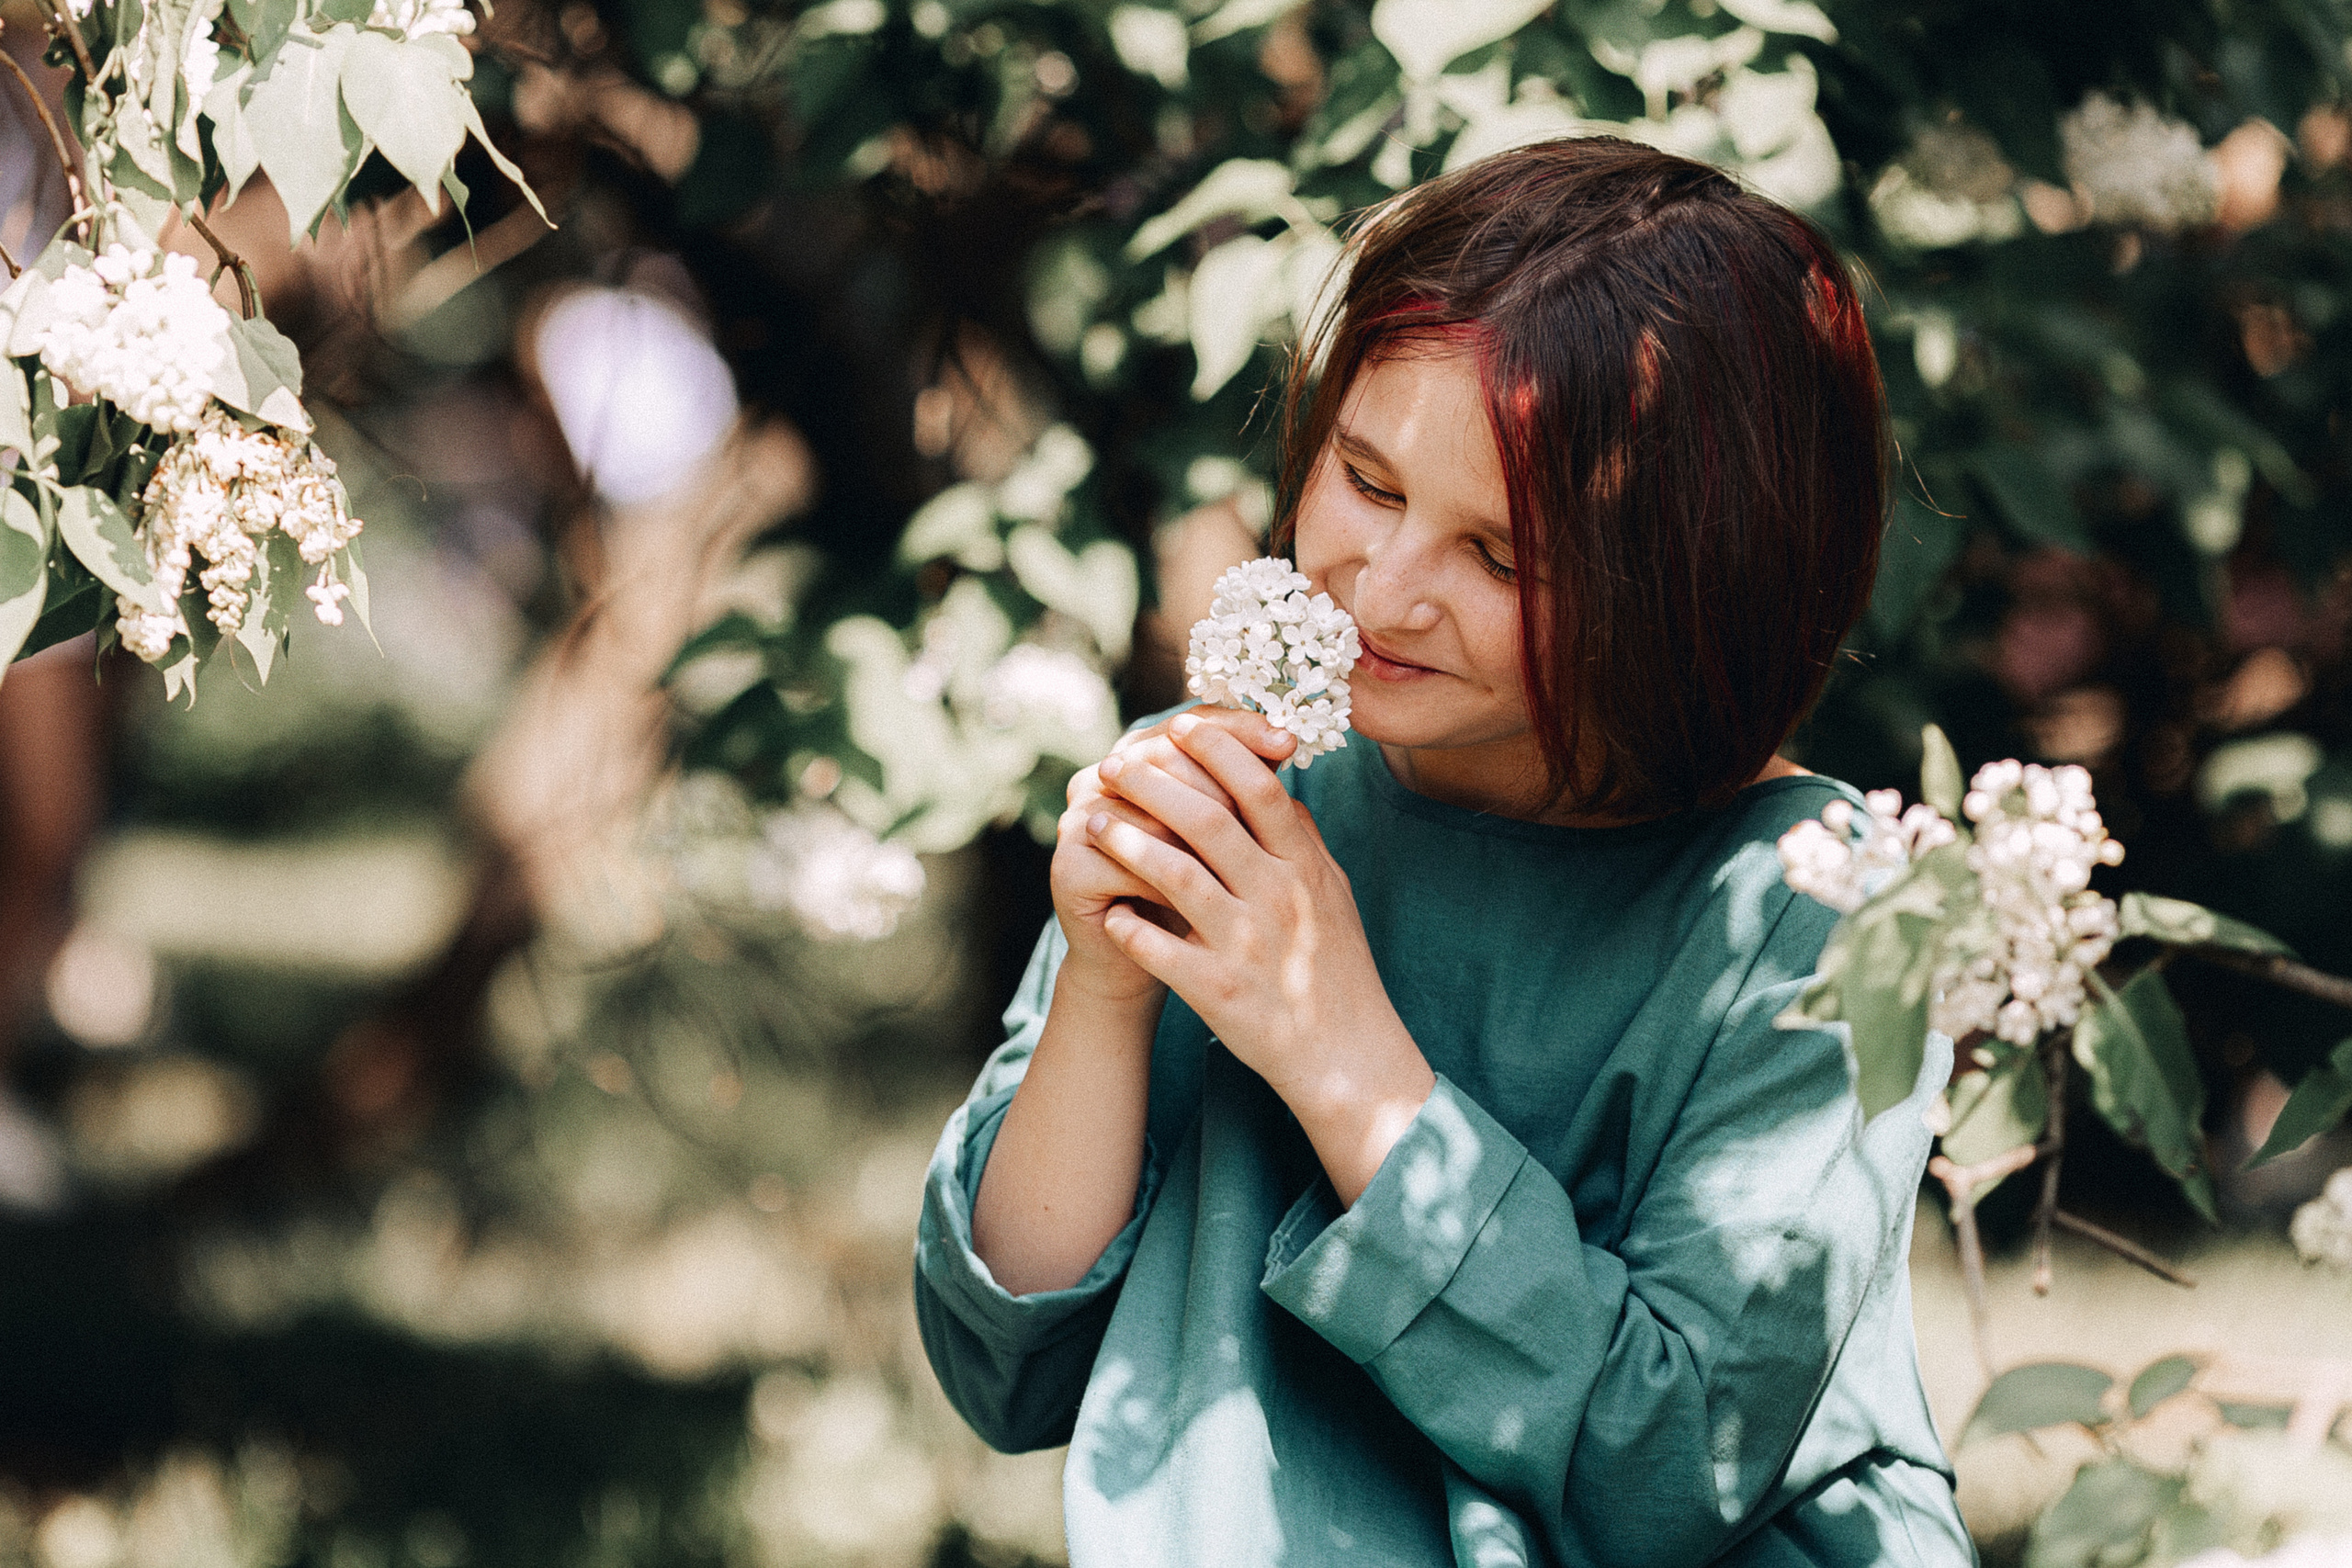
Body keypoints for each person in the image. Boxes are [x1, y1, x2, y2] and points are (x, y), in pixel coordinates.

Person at [914, 138, 1973, 1567]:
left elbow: (1673, 1476)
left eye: (1506, 558)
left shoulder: (1821, 910)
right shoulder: (1241, 798)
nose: (1387, 590)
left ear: (1694, 591)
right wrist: (1107, 994)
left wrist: (1344, 1058)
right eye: (1365, 477)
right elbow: (1009, 1368)